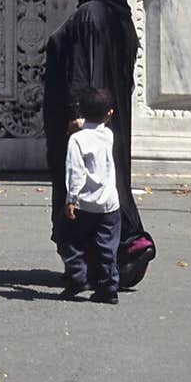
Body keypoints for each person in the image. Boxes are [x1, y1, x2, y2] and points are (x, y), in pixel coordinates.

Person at [43, 0, 155, 290]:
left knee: (79, 186)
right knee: (107, 183)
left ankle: (98, 257)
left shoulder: (90, 15)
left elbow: (85, 68)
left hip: (84, 120)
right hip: (112, 120)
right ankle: (114, 252)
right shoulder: (120, 20)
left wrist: (79, 115)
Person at [59, 86, 121, 304]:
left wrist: (71, 199)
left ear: (79, 111)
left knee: (68, 239)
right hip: (109, 203)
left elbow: (75, 171)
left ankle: (77, 275)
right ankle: (109, 287)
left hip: (84, 202)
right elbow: (97, 126)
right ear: (110, 114)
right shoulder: (108, 135)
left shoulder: (77, 140)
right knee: (107, 247)